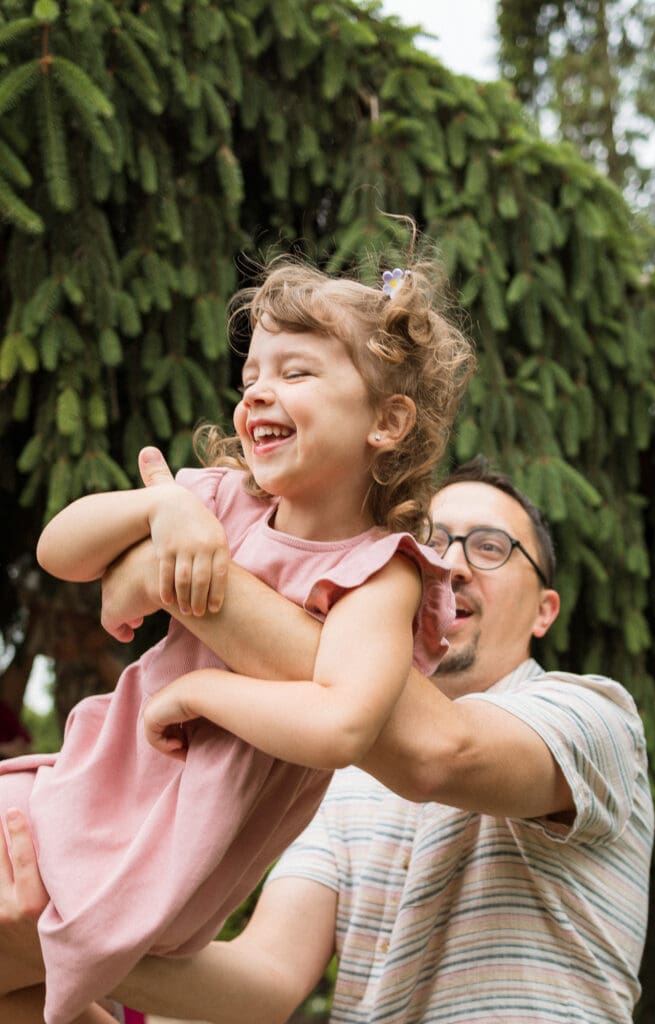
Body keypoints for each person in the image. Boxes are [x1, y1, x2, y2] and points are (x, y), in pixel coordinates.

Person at [0, 456, 654, 1024]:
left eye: (490, 547)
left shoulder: (594, 718)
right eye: (430, 541)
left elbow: (438, 750)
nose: (450, 565)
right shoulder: (331, 775)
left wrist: (182, 581)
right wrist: (56, 935)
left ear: (545, 610)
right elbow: (266, 983)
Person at [0, 259, 476, 1024]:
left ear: (385, 422)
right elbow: (63, 551)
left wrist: (199, 691)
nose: (258, 390)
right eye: (252, 372)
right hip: (78, 795)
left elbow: (342, 723)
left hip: (143, 854)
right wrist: (162, 511)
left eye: (296, 372)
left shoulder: (379, 576)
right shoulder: (223, 502)